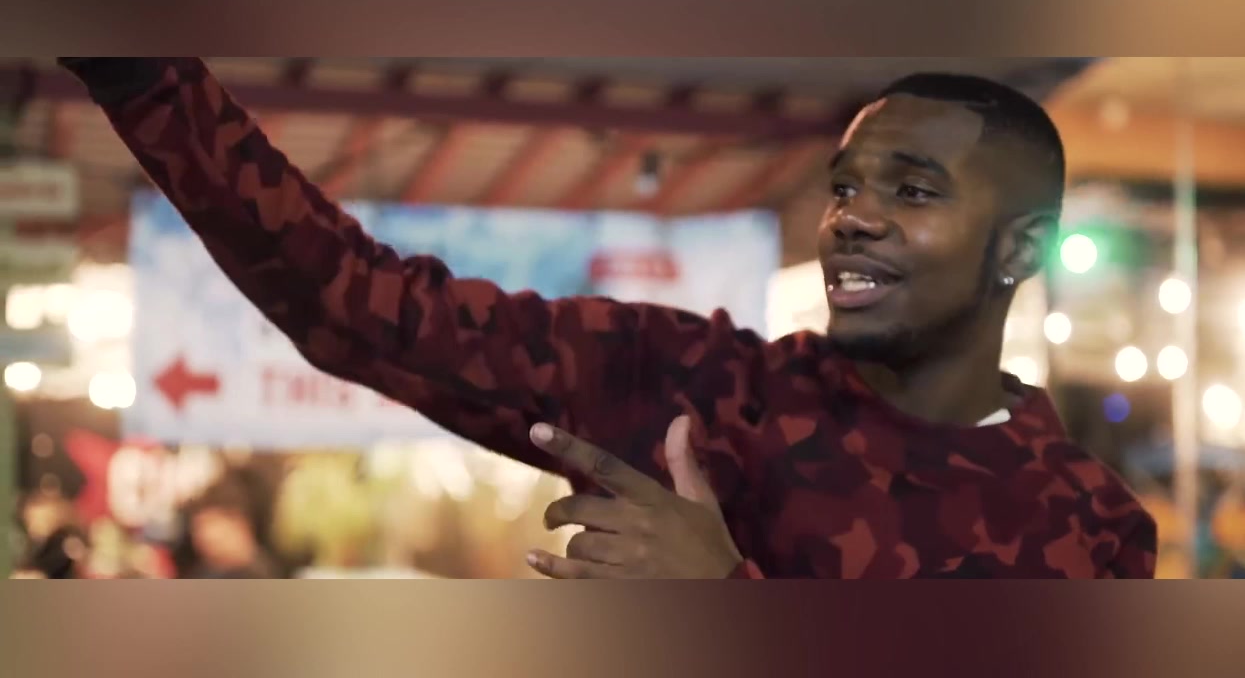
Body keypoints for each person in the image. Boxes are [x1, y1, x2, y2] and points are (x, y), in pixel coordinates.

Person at [60, 58, 1157, 579]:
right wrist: (146, 78)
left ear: (1019, 248)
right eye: (842, 186)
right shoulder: (691, 388)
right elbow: (351, 303)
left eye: (911, 190)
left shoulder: (1091, 528)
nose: (850, 219)